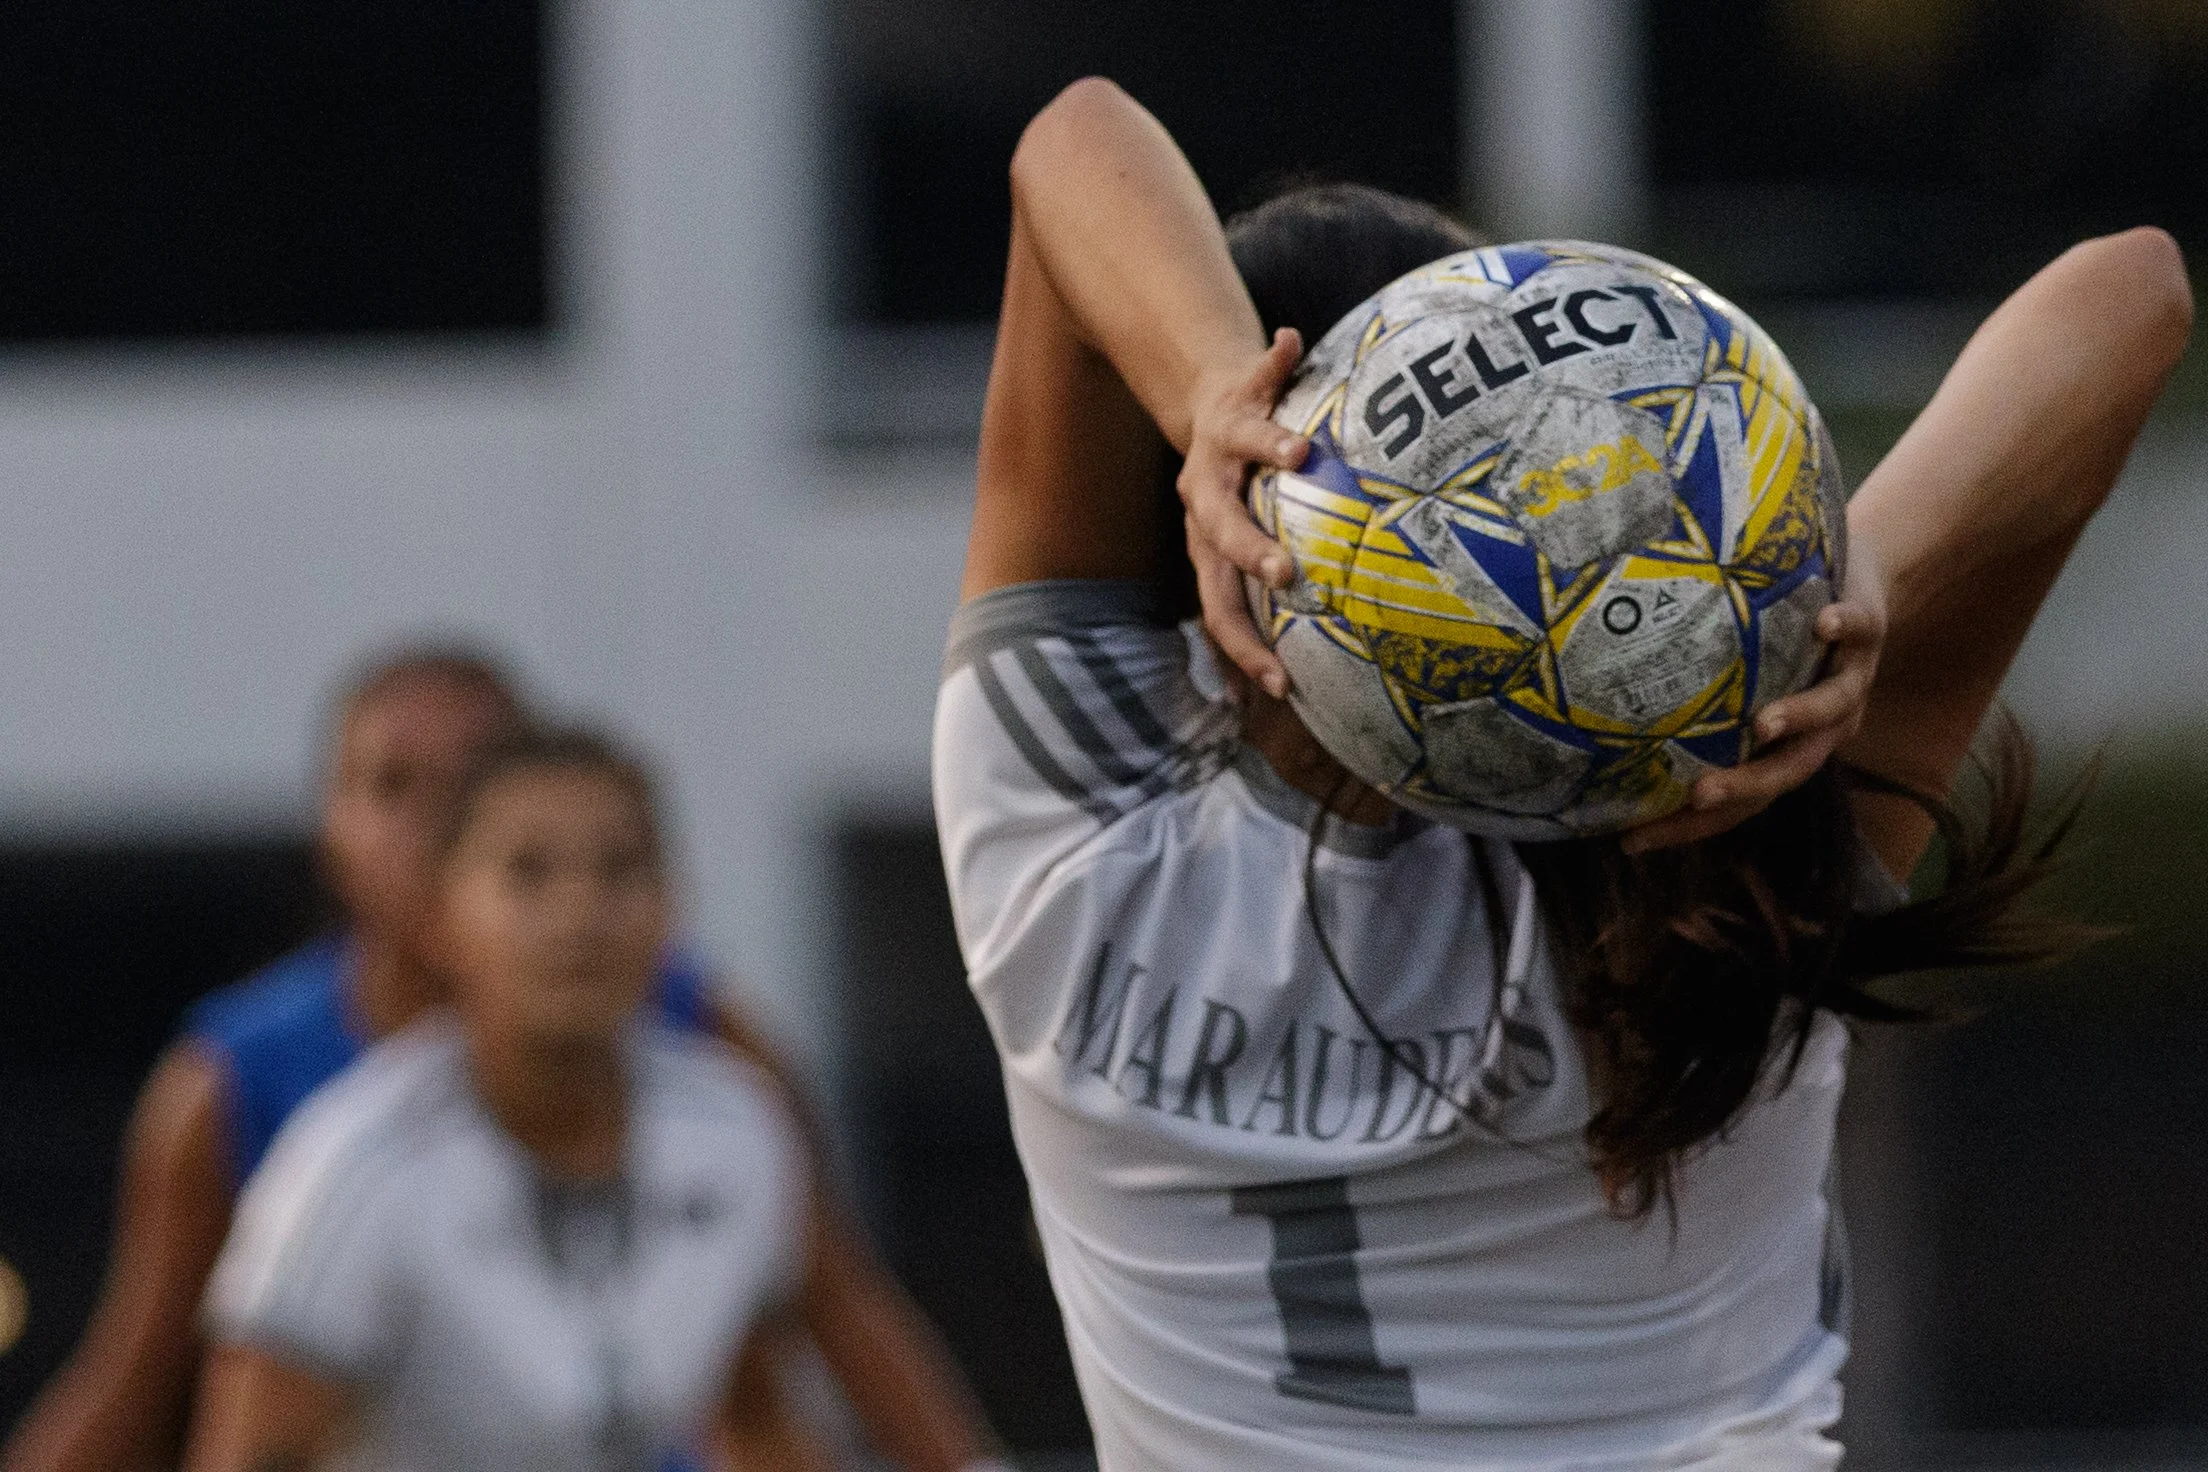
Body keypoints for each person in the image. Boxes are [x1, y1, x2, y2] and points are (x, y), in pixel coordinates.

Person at [931, 77, 2191, 1469]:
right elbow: (2133, 300)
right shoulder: (1739, 830)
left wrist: (1227, 412)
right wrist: (1837, 563)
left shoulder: (1066, 836)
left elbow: (1073, 141)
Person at [4, 650, 994, 1472]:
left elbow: (813, 1334)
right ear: (334, 832)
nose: (575, 914)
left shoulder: (721, 1090)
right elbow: (156, 1384)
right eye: (394, 785)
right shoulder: (297, 1122)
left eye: (615, 869)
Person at [184, 729, 813, 1471]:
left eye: (621, 869)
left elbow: (759, 1415)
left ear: (674, 903)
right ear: (439, 919)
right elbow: (251, 1454)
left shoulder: (736, 1126)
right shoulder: (355, 1160)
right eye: (527, 872)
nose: (581, 911)